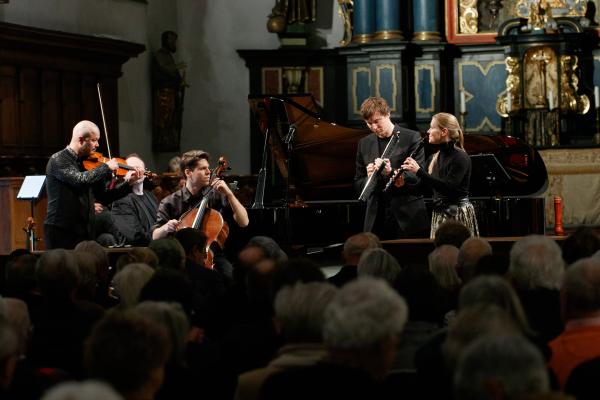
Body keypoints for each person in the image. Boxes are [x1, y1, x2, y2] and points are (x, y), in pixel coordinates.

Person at [44, 120, 143, 250]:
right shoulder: (59, 159)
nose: (97, 145)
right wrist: (105, 167)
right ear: (80, 140)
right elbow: (80, 180)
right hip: (62, 231)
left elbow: (104, 197)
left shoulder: (89, 164)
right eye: (93, 140)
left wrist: (127, 184)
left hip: (84, 230)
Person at [151, 150, 249, 277]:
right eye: (203, 169)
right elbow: (154, 236)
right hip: (180, 258)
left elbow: (244, 222)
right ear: (188, 173)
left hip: (213, 256)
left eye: (208, 168)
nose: (208, 172)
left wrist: (229, 194)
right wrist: (166, 227)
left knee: (228, 277)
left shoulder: (216, 195)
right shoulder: (170, 202)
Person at [354, 97, 428, 239]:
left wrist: (390, 172)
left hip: (406, 216)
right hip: (376, 218)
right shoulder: (364, 143)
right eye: (369, 123)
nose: (374, 127)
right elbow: (358, 182)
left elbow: (418, 177)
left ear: (387, 114)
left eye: (377, 121)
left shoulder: (411, 137)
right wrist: (368, 178)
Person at [402, 112, 479, 238]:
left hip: (457, 213)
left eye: (432, 127)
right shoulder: (433, 158)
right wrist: (402, 183)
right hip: (439, 213)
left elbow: (449, 188)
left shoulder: (460, 157)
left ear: (444, 132)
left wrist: (419, 171)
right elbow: (422, 189)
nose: (428, 131)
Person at [110, 154, 159, 246]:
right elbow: (135, 236)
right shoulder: (121, 200)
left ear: (145, 172)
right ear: (124, 173)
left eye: (138, 168)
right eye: (129, 168)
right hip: (138, 252)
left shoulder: (150, 196)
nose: (135, 171)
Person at [152, 30, 186, 151]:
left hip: (171, 91)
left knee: (172, 116)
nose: (174, 44)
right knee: (165, 116)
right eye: (172, 41)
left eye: (174, 41)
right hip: (164, 93)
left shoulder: (168, 55)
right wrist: (177, 69)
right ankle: (163, 138)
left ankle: (169, 138)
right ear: (165, 41)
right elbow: (166, 70)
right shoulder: (161, 54)